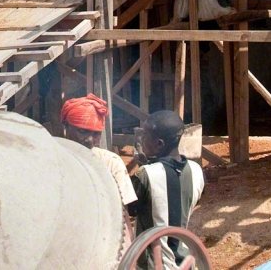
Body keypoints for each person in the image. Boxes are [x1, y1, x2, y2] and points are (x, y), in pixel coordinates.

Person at [128, 110, 205, 270]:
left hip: (154, 264)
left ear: (159, 144)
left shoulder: (145, 175)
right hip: (184, 262)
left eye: (145, 137)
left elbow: (131, 208)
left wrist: (142, 169)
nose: (142, 140)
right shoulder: (197, 171)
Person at [60, 95, 137, 210]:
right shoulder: (53, 158)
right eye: (82, 131)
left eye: (96, 134)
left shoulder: (110, 162)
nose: (90, 140)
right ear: (66, 126)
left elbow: (122, 211)